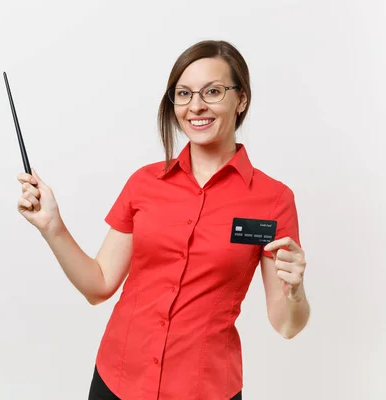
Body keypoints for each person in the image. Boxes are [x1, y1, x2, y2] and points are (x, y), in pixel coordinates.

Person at [16, 40, 310, 400]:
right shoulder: (144, 182)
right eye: (183, 94)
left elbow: (286, 324)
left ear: (242, 99)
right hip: (118, 379)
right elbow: (100, 284)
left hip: (206, 389)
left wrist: (295, 293)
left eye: (213, 91)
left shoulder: (273, 199)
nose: (196, 105)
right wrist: (52, 227)